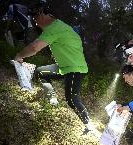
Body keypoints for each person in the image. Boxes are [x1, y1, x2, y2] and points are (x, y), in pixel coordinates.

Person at [13, 2, 100, 136]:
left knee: (72, 99)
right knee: (41, 72)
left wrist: (19, 56)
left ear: (42, 14)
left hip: (75, 69)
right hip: (63, 67)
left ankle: (89, 126)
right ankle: (52, 98)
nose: (35, 22)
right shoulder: (60, 26)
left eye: (35, 18)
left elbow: (34, 48)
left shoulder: (55, 28)